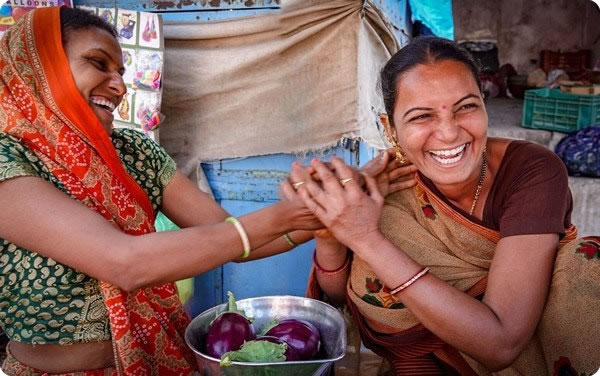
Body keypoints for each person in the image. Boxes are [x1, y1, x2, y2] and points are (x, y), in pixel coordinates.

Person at [0, 7, 410, 374]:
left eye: (121, 72)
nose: (119, 87)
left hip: (159, 358)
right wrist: (286, 215)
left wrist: (340, 203)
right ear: (38, 67)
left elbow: (229, 233)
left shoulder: (133, 152)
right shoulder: (8, 164)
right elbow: (123, 264)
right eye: (98, 64)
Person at [287, 36, 600, 375]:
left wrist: (365, 237)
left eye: (466, 107)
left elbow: (501, 344)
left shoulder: (531, 170)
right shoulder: (388, 180)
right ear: (390, 129)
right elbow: (339, 293)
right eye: (422, 116)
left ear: (484, 104)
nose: (449, 133)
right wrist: (331, 234)